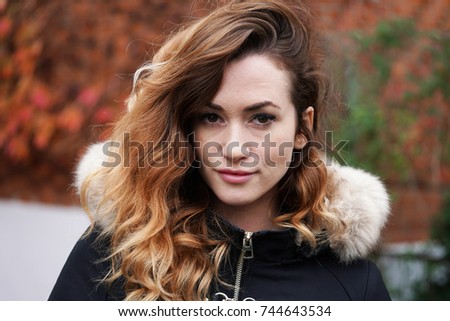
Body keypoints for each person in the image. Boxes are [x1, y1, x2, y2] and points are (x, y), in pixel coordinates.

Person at [49, 0, 391, 301]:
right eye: (211, 117)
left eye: (261, 118)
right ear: (187, 126)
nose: (234, 148)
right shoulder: (112, 256)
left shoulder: (353, 287)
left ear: (303, 128)